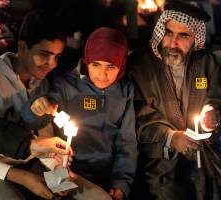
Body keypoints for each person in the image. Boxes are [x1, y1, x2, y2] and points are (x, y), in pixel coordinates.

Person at [0, 11, 68, 200]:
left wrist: (59, 171)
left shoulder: (42, 83)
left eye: (57, 56)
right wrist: (23, 178)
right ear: (23, 47)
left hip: (31, 166)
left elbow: (44, 139)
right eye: (44, 55)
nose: (51, 64)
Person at [127, 1, 221, 199]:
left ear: (196, 38)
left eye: (183, 35)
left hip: (202, 152)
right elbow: (134, 114)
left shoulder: (205, 62)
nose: (173, 42)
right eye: (168, 32)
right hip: (157, 158)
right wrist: (171, 137)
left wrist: (213, 114)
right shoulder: (139, 64)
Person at [22, 27, 138, 200]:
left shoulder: (125, 92)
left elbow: (127, 143)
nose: (102, 74)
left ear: (121, 65)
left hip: (107, 174)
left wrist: (121, 184)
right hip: (65, 169)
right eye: (96, 64)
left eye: (111, 66)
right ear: (87, 61)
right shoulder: (67, 86)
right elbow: (33, 118)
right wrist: (36, 107)